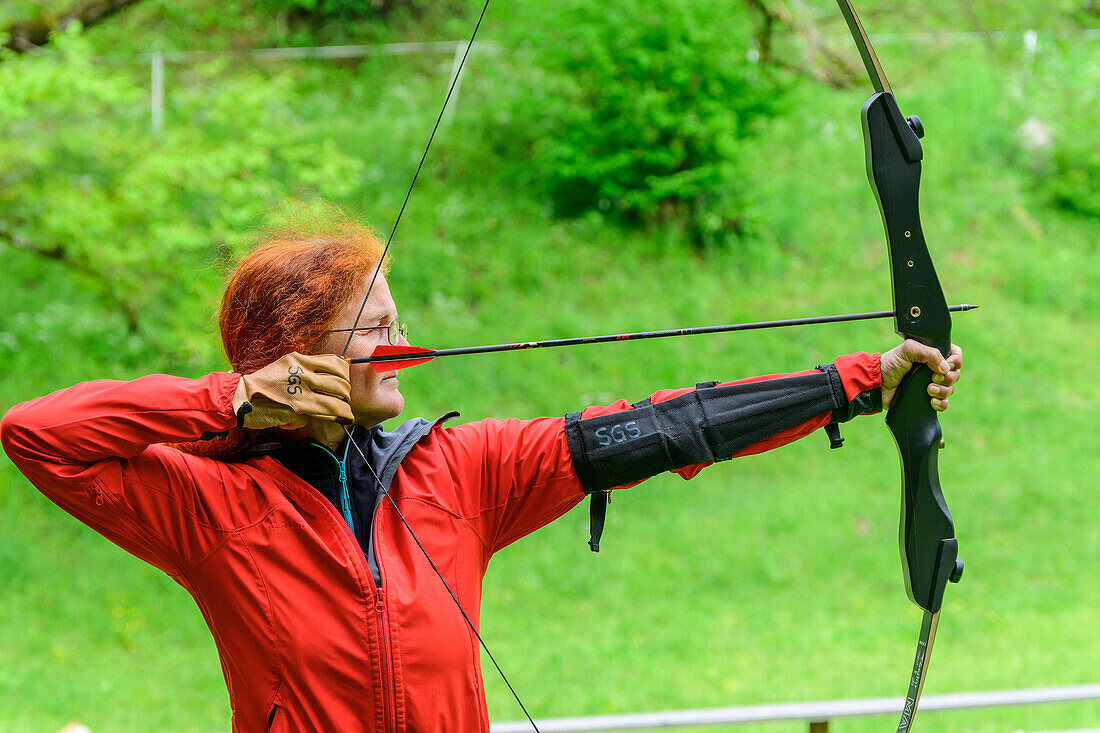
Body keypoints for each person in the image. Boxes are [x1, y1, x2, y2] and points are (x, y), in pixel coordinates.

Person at [1, 215, 963, 732]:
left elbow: (663, 430)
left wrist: (858, 382)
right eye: (377, 329)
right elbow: (35, 432)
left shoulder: (460, 470)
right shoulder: (210, 505)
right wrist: (233, 403)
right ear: (297, 354)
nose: (405, 344)